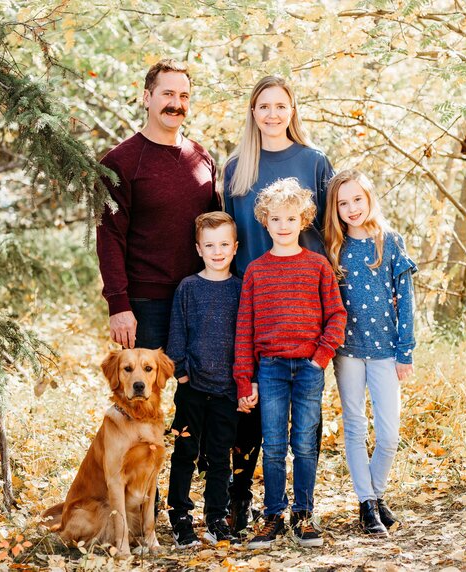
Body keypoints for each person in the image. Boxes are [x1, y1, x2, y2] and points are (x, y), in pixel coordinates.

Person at [222, 75, 334, 535]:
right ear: (252, 111)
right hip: (251, 293)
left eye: (281, 105)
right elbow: (224, 232)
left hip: (304, 302)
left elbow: (331, 229)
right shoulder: (235, 167)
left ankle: (303, 507)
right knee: (249, 411)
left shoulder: (314, 161)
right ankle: (242, 500)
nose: (272, 113)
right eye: (263, 105)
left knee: (304, 419)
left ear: (293, 110)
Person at [233, 179, 347, 549]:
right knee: (275, 445)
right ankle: (272, 516)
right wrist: (244, 379)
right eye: (276, 218)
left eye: (291, 218)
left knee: (304, 444)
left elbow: (336, 316)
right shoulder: (255, 271)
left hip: (309, 368)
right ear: (265, 222)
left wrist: (320, 358)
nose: (284, 225)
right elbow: (245, 329)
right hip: (271, 370)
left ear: (304, 220)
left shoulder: (317, 266)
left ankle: (303, 514)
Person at [96, 58, 220, 352]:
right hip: (145, 305)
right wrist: (118, 304)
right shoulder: (119, 163)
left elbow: (217, 228)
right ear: (147, 97)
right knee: (140, 397)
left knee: (200, 395)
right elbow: (109, 237)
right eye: (167, 94)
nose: (176, 104)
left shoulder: (202, 159)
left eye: (184, 96)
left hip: (199, 297)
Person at [323, 169, 417, 536]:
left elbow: (406, 300)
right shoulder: (332, 246)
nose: (351, 208)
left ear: (369, 198)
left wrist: (405, 350)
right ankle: (366, 503)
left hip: (386, 350)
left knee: (389, 432)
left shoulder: (389, 242)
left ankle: (376, 496)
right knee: (355, 426)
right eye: (343, 203)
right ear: (335, 208)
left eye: (356, 200)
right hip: (347, 350)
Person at [165, 212, 242, 547]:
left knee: (220, 457)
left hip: (227, 390)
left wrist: (243, 380)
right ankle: (180, 517)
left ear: (236, 247)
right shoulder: (189, 288)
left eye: (224, 244)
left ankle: (216, 518)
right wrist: (181, 374)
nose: (217, 250)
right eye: (210, 245)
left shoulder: (240, 288)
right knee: (185, 453)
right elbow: (177, 335)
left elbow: (245, 337)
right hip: (192, 388)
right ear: (198, 249)